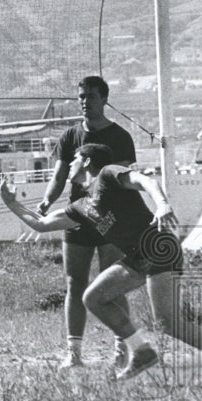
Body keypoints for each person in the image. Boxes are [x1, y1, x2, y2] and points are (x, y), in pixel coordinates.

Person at [1, 143, 202, 384]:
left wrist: (162, 204)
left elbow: (145, 181)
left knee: (168, 323)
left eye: (74, 158)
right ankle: (141, 351)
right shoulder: (81, 206)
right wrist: (12, 204)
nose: (70, 164)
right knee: (93, 297)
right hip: (138, 257)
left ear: (86, 161)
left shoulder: (108, 174)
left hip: (157, 247)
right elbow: (41, 224)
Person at [38, 75, 137, 370]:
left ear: (104, 100)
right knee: (74, 282)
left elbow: (126, 180)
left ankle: (122, 348)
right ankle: (74, 353)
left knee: (112, 286)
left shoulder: (120, 136)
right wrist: (46, 201)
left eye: (91, 96)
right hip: (78, 217)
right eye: (81, 96)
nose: (85, 102)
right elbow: (59, 176)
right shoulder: (70, 136)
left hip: (110, 220)